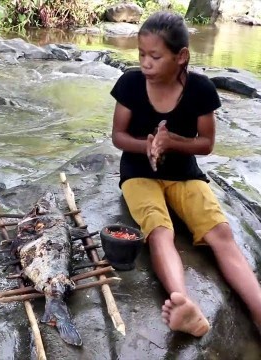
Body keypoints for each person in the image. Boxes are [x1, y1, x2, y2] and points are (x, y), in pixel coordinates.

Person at [110, 11, 261, 337]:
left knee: (220, 233)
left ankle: (259, 309)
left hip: (186, 175)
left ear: (181, 57)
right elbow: (118, 137)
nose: (146, 63)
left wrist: (173, 142)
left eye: (155, 56)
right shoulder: (131, 84)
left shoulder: (201, 90)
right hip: (138, 173)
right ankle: (182, 303)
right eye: (141, 55)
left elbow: (206, 144)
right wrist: (147, 145)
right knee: (159, 229)